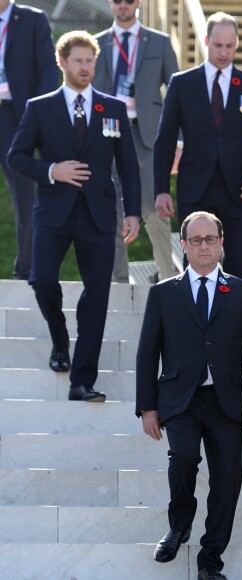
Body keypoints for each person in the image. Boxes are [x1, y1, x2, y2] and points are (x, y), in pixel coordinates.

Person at [136, 211, 242, 579]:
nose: (204, 246)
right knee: (182, 459)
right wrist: (147, 406)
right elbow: (148, 352)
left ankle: (211, 558)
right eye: (196, 240)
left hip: (225, 399)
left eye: (210, 239)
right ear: (183, 246)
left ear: (221, 243)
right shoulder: (164, 293)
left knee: (228, 478)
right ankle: (178, 527)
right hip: (179, 399)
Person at [7, 31, 141, 402]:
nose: (85, 67)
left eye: (90, 61)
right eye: (78, 60)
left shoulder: (112, 108)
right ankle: (59, 336)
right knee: (42, 278)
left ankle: (81, 380)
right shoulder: (40, 107)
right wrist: (52, 170)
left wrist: (132, 212)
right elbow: (16, 158)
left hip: (99, 215)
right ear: (62, 62)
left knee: (97, 295)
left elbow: (128, 166)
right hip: (52, 211)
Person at [154, 11, 242, 281]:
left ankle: (235, 322)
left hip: (240, 189)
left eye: (230, 46)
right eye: (218, 45)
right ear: (207, 41)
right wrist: (161, 189)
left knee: (240, 264)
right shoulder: (182, 83)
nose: (224, 52)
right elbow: (164, 140)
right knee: (195, 264)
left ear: (237, 44)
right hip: (195, 185)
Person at [93, 0, 179, 283]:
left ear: (138, 3)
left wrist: (178, 142)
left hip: (146, 138)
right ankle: (118, 284)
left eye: (129, 0)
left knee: (155, 212)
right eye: (117, 0)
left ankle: (168, 281)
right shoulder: (96, 44)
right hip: (106, 136)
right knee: (111, 213)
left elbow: (176, 96)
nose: (123, 6)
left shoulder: (159, 42)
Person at [0, 0, 59, 280]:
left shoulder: (33, 19)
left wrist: (38, 117)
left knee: (24, 194)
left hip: (15, 116)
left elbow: (49, 70)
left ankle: (26, 268)